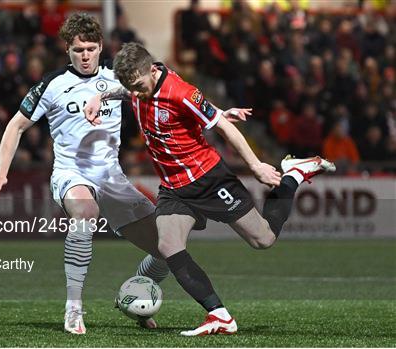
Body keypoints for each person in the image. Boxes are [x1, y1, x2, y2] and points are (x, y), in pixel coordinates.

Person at [84, 42, 336, 336]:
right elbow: (124, 89)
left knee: (263, 239)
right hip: (174, 187)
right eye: (131, 88)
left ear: (152, 70)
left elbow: (224, 129)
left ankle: (293, 174)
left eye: (139, 86)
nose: (136, 93)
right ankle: (219, 315)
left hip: (208, 180)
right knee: (168, 246)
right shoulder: (138, 81)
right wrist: (98, 95)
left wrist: (255, 166)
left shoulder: (179, 92)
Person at [0, 13, 172, 335]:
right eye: (78, 50)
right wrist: (1, 172)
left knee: (169, 247)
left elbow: (164, 87)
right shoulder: (52, 85)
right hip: (71, 173)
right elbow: (15, 125)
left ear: (101, 47)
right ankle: (74, 307)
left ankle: (136, 297)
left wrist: (215, 114)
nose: (85, 55)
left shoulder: (119, 78)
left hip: (112, 177)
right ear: (67, 51)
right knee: (86, 213)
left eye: (90, 48)